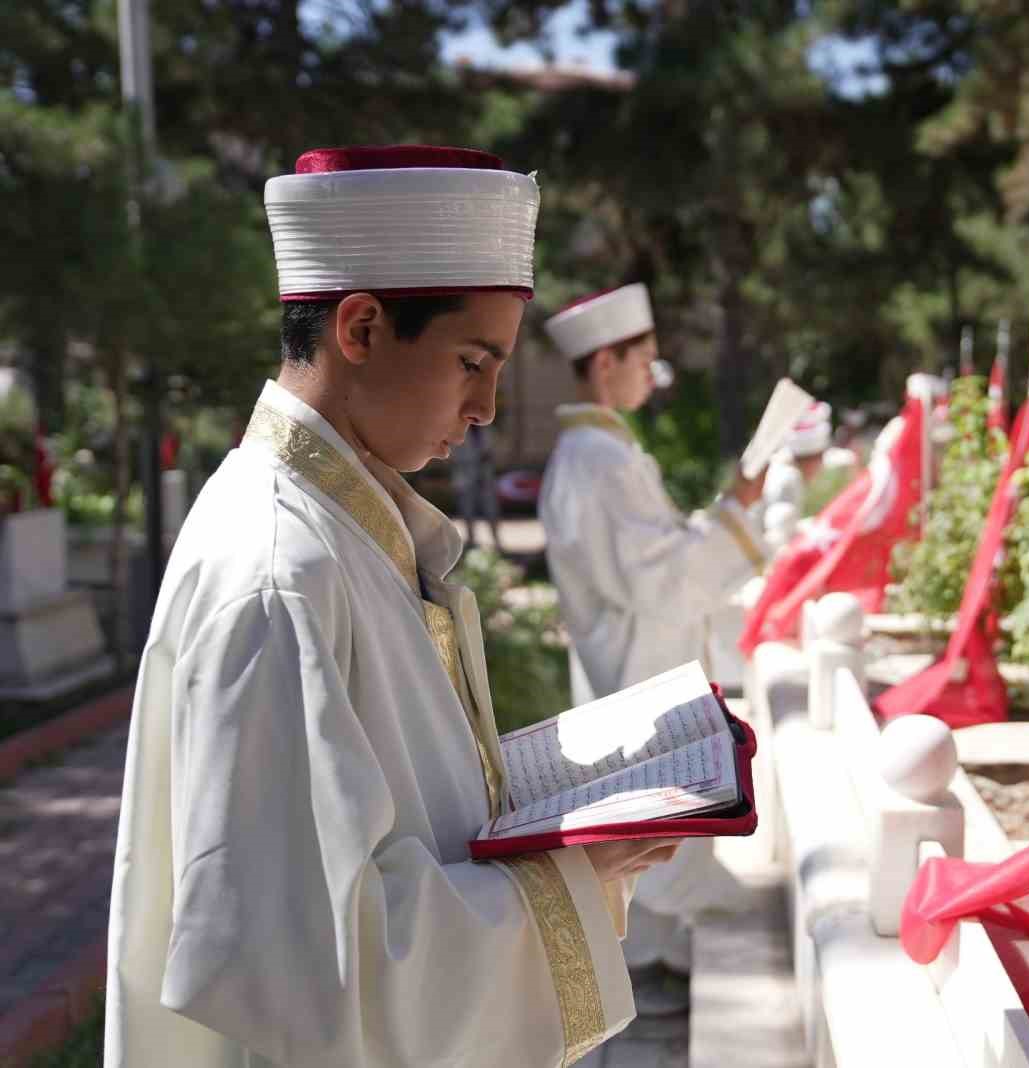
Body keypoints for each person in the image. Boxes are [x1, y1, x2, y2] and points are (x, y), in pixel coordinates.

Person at [105, 145, 681, 1068]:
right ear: (362, 327)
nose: (488, 406)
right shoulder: (279, 571)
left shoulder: (345, 528)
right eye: (471, 362)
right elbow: (307, 971)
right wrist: (578, 873)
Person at [539, 283, 767, 1013]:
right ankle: (648, 975)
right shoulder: (599, 459)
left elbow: (655, 559)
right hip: (638, 666)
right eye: (645, 359)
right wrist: (737, 510)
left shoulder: (600, 452)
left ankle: (653, 963)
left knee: (654, 819)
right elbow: (660, 579)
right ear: (607, 362)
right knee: (653, 822)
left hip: (632, 661)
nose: (654, 374)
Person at [452, 422, 504, 553]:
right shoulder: (458, 429)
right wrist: (475, 460)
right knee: (467, 510)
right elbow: (455, 454)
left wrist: (488, 458)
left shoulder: (486, 429)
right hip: (466, 476)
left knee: (491, 510)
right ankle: (471, 541)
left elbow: (494, 449)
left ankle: (496, 540)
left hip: (485, 478)